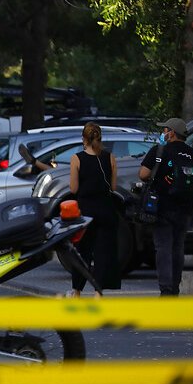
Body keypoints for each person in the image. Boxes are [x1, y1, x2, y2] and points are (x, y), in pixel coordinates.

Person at [139, 117, 193, 296]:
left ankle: (166, 289)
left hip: (162, 208)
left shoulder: (159, 150)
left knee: (163, 247)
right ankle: (175, 287)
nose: (163, 133)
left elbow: (143, 174)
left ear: (171, 133)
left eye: (165, 130)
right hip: (185, 209)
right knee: (178, 248)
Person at [67, 122, 121, 297]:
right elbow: (113, 187)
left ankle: (76, 291)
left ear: (84, 139)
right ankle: (99, 292)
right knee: (103, 252)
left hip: (85, 211)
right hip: (106, 209)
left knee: (82, 251)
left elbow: (73, 189)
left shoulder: (77, 158)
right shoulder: (110, 157)